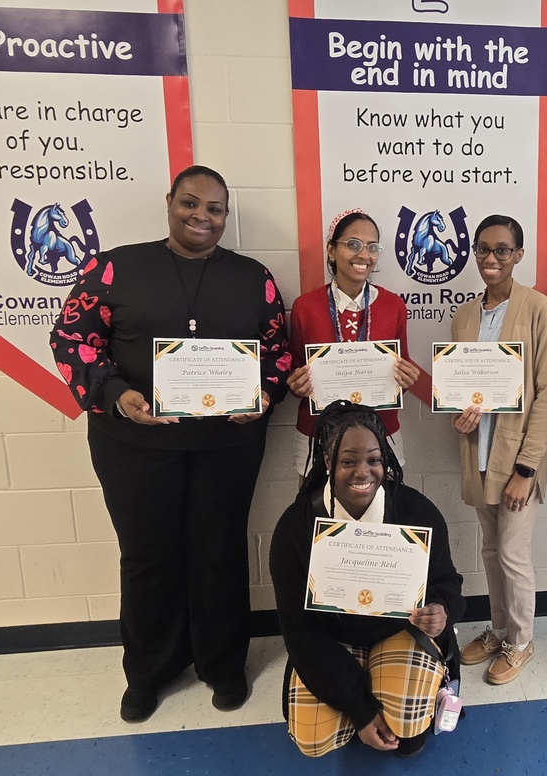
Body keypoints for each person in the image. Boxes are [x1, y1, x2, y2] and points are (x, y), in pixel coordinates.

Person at [49, 165, 292, 721]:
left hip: (226, 444)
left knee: (219, 552)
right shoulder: (114, 267)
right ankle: (149, 671)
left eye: (215, 209)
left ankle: (223, 665)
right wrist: (115, 393)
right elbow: (71, 338)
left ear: (226, 217)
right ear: (169, 203)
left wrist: (265, 393)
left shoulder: (254, 277)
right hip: (133, 444)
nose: (201, 217)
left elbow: (279, 351)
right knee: (147, 557)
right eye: (190, 203)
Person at [270, 401, 464, 758]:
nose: (363, 472)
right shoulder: (296, 526)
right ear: (328, 462)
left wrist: (442, 610)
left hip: (399, 632)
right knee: (312, 739)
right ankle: (363, 699)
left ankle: (399, 694)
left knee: (407, 738)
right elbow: (300, 631)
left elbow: (448, 581)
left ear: (385, 460)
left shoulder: (416, 510)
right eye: (348, 461)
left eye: (374, 460)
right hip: (333, 638)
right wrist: (359, 709)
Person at [450, 214, 547, 685]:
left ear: (518, 255)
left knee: (514, 554)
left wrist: (527, 468)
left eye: (501, 250)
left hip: (516, 458)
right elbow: (460, 385)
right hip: (478, 455)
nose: (490, 259)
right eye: (482, 249)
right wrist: (457, 415)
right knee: (492, 550)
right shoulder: (463, 316)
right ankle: (498, 630)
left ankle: (521, 640)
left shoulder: (537, 309)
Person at [287, 209, 419, 476]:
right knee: (318, 513)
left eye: (372, 247)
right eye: (353, 244)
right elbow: (295, 373)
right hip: (319, 432)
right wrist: (296, 385)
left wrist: (405, 379)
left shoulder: (393, 305)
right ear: (332, 251)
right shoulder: (306, 307)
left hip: (380, 432)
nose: (364, 255)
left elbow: (400, 370)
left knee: (380, 512)